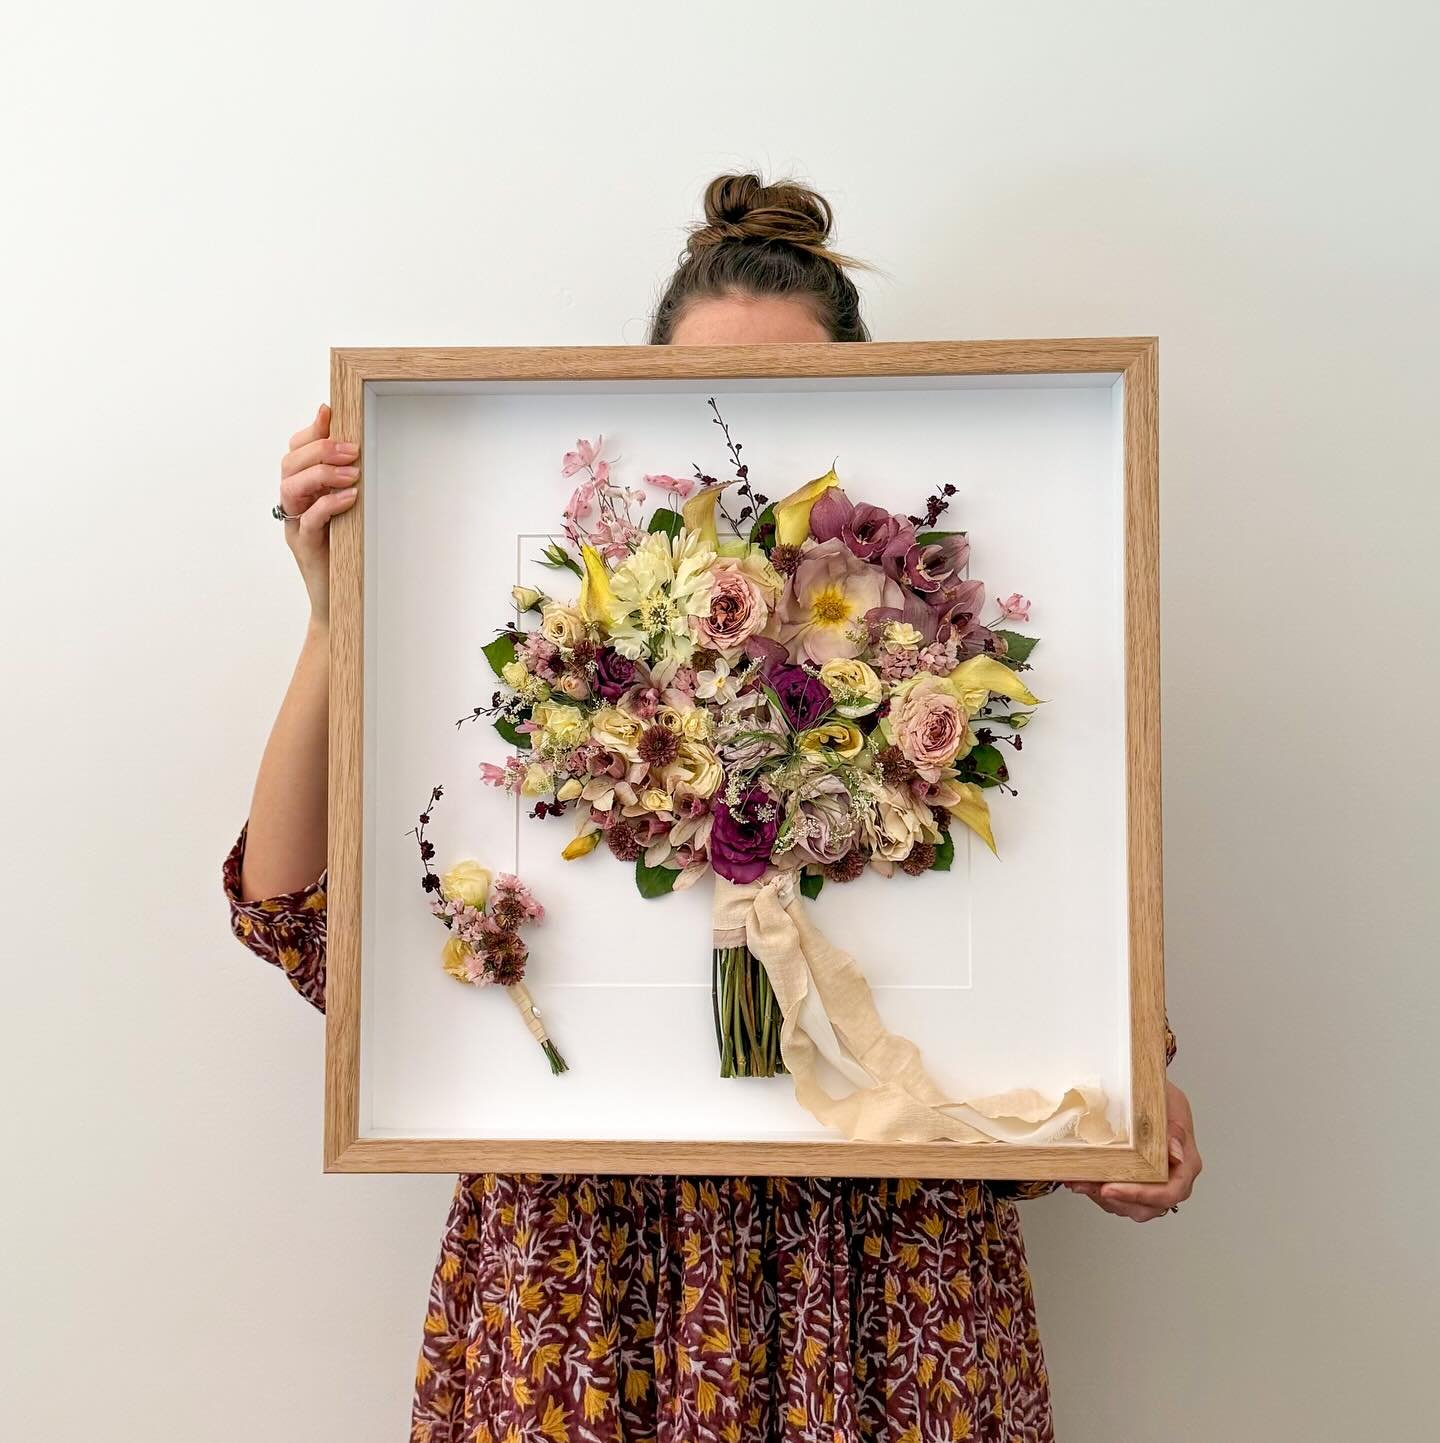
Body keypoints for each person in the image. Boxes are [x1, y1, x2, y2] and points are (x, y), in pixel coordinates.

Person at [225, 172, 1201, 1443]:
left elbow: (1033, 998)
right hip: (582, 1281)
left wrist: (1120, 1119)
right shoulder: (565, 624)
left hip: (884, 1288)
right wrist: (331, 621)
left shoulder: (939, 652)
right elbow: (290, 912)